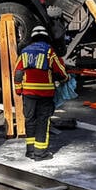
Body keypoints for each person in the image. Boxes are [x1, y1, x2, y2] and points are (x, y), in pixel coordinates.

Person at [13, 25, 69, 160]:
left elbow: (18, 72)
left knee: (30, 120)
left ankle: (30, 150)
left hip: (28, 93)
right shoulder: (49, 51)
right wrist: (65, 78)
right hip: (45, 94)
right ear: (46, 37)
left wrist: (18, 89)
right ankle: (40, 153)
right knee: (42, 122)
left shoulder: (24, 52)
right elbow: (60, 71)